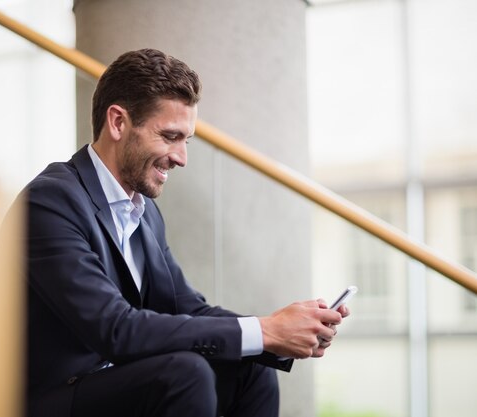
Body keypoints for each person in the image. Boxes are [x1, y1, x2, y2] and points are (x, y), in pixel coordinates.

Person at [21, 48, 349, 417]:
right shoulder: (49, 201)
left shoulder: (144, 214)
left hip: (118, 386)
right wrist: (265, 331)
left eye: (186, 141)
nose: (181, 158)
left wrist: (277, 331)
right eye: (169, 136)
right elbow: (115, 328)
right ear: (118, 122)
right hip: (53, 398)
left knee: (253, 367)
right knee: (184, 373)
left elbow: (190, 309)